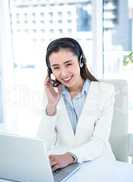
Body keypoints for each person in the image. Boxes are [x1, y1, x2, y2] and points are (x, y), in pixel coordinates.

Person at [37, 37, 115, 171]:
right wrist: (51, 107)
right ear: (51, 71)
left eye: (68, 64)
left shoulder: (105, 91)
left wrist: (70, 156)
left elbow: (100, 141)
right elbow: (44, 144)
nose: (63, 73)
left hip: (98, 164)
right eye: (56, 67)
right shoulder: (51, 94)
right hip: (63, 167)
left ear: (80, 61)